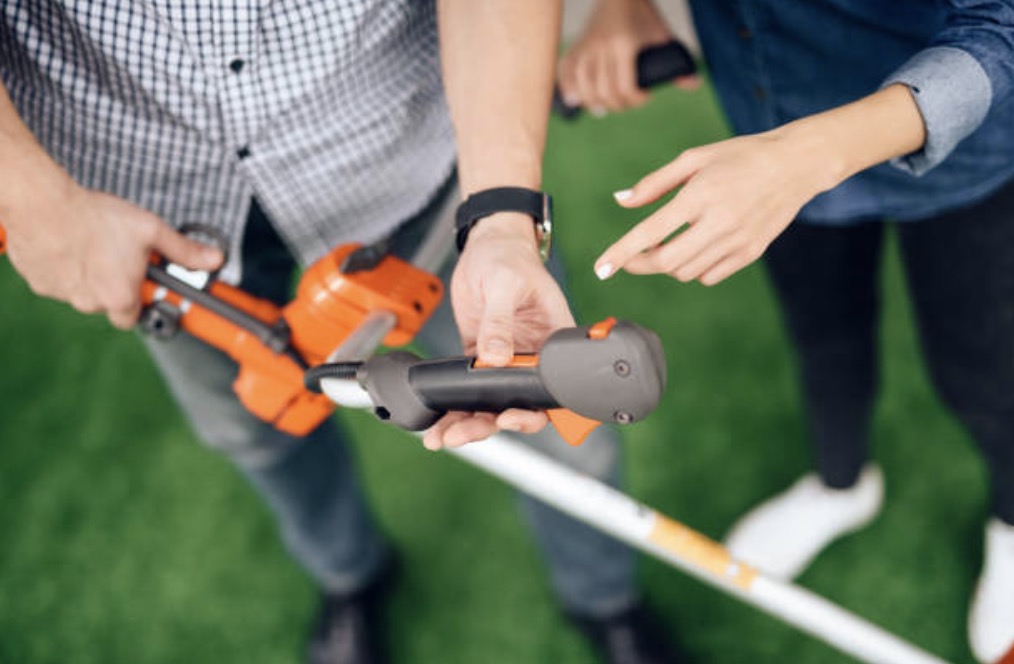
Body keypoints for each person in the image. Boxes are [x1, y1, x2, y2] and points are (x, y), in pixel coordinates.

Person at [0, 2, 684, 663]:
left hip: (410, 171)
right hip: (147, 221)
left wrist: (502, 218)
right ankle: (350, 576)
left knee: (558, 428)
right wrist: (29, 198)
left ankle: (603, 596)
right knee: (256, 428)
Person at [559, 1, 1014, 661]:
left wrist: (803, 157)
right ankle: (841, 485)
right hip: (767, 117)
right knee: (825, 338)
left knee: (984, 372)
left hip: (969, 153)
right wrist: (621, 7)